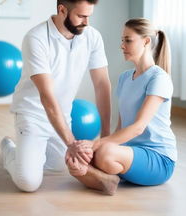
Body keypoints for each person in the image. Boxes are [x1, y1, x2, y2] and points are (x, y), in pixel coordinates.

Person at [0, 0, 111, 192]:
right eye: (81, 16)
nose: (86, 22)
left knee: (60, 167)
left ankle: (30, 154)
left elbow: (102, 85)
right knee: (29, 183)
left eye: (89, 16)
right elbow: (47, 97)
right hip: (32, 114)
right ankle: (9, 150)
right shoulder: (36, 38)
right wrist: (71, 143)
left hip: (63, 115)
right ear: (62, 10)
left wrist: (105, 135)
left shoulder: (92, 36)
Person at [66, 18, 177, 195]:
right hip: (130, 153)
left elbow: (138, 128)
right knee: (76, 155)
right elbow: (121, 126)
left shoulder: (159, 78)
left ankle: (100, 175)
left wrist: (97, 146)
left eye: (128, 40)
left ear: (146, 41)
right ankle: (106, 179)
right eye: (122, 40)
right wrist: (89, 152)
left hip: (159, 159)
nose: (122, 45)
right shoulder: (125, 78)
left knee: (104, 152)